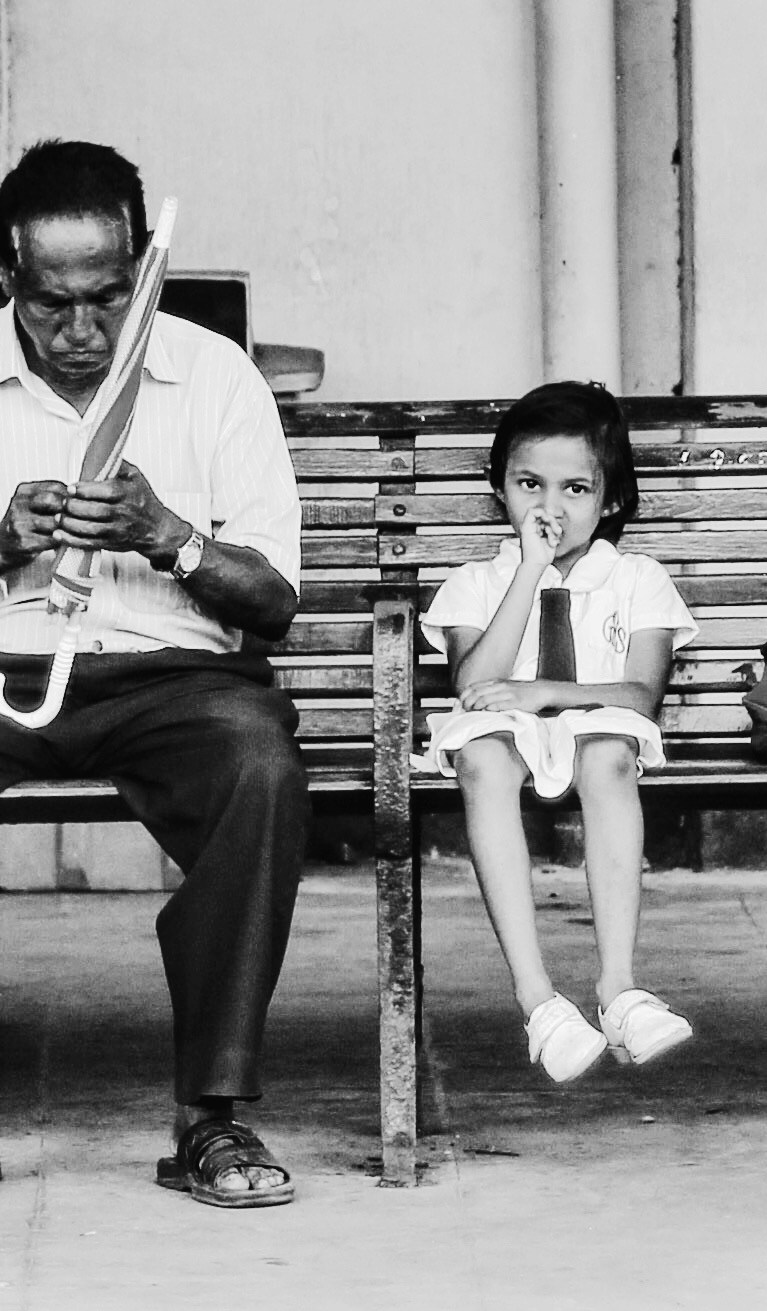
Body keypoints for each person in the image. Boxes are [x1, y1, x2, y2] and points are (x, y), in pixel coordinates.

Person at [0, 140, 305, 1208]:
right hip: (9, 666)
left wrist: (170, 534)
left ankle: (211, 1120)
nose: (84, 331)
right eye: (52, 305)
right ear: (9, 282)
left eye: (110, 299)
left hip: (173, 680)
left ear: (146, 274)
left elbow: (274, 602)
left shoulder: (214, 376)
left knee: (258, 768)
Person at [413, 381, 698, 1083]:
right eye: (529, 485)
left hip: (596, 728)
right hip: (506, 736)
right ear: (500, 489)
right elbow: (473, 681)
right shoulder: (478, 582)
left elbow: (641, 694)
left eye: (574, 488)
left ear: (612, 500)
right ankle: (538, 1001)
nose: (550, 507)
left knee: (609, 752)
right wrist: (531, 569)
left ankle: (618, 988)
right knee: (481, 754)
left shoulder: (637, 578)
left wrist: (547, 691)